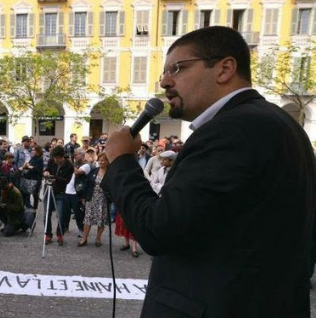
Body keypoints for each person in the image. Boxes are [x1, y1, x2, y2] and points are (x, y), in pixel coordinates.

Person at [102, 26, 315, 317]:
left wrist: (122, 162)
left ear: (225, 68)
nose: (165, 81)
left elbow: (157, 230)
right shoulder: (282, 125)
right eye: (164, 72)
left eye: (177, 68)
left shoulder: (230, 130)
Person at [42, 146, 74, 245]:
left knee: (60, 215)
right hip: (48, 190)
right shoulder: (51, 161)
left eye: (57, 158)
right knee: (46, 214)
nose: (55, 160)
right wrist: (46, 172)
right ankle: (47, 234)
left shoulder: (69, 165)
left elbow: (67, 181)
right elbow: (46, 169)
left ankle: (60, 234)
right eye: (54, 158)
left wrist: (56, 178)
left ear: (62, 156)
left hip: (60, 192)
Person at [78, 152, 110, 247]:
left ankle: (98, 238)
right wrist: (84, 197)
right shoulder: (94, 171)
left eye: (103, 160)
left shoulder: (110, 173)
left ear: (107, 161)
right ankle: (84, 238)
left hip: (104, 200)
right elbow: (87, 184)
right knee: (88, 219)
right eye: (99, 159)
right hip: (92, 198)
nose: (101, 161)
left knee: (102, 220)